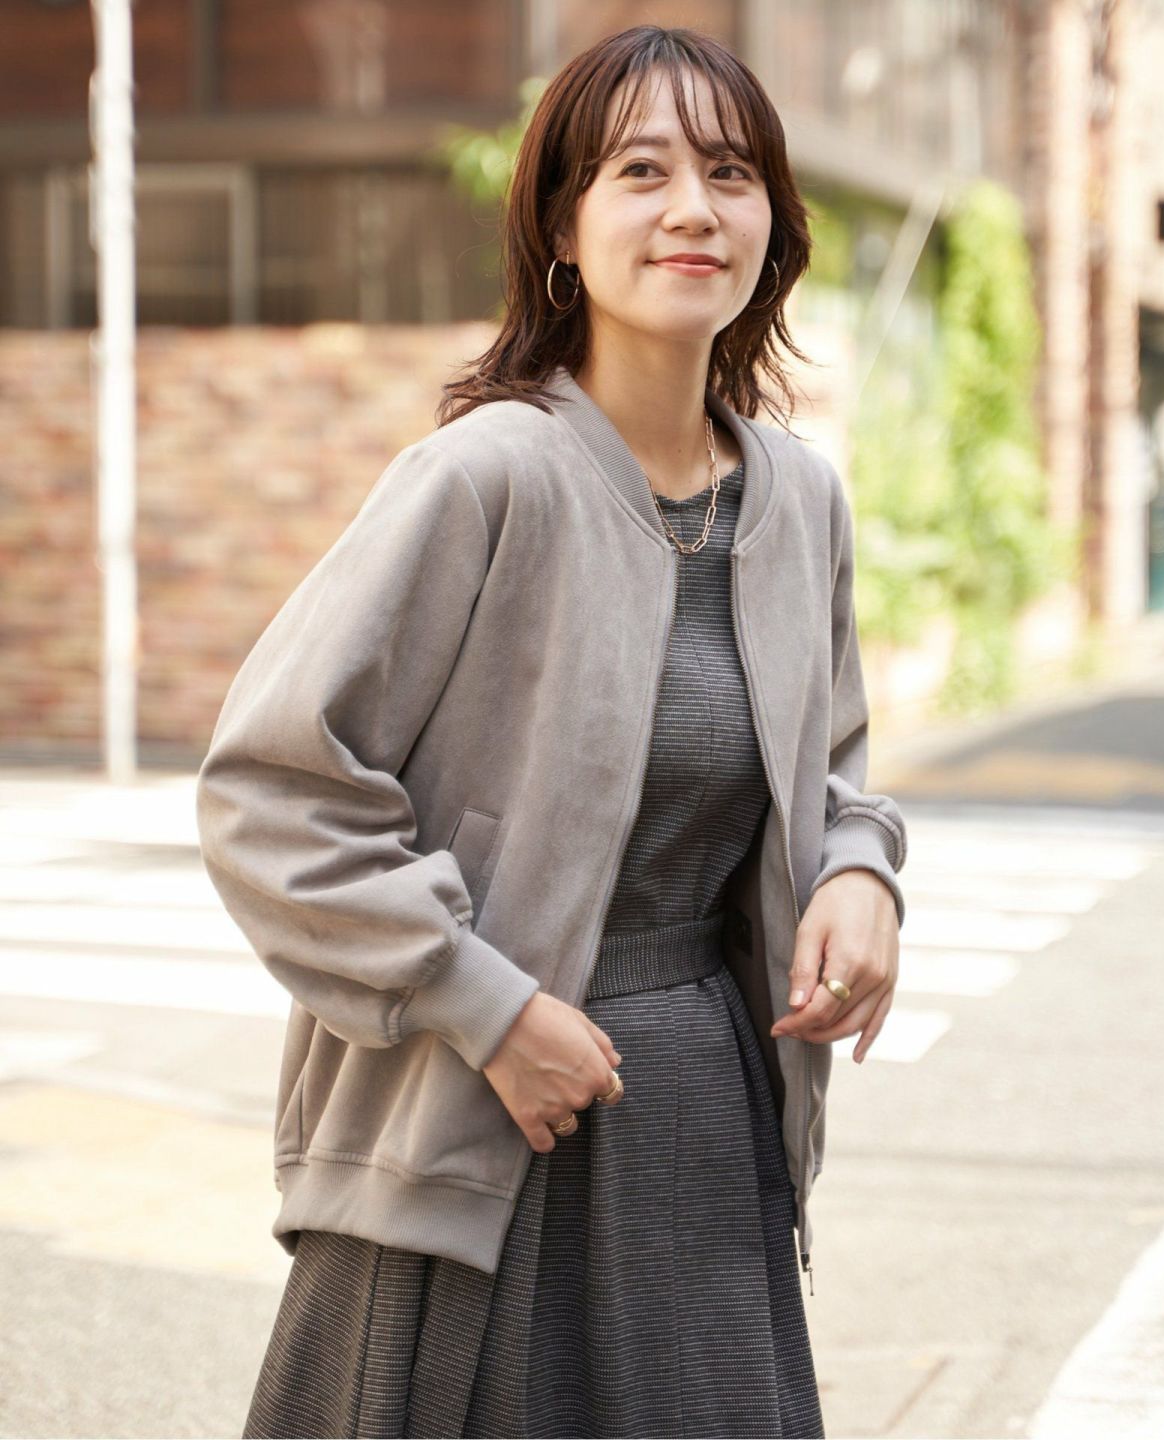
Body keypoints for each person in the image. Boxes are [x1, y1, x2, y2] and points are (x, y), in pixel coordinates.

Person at [196, 23, 908, 1440]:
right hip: (481, 1121)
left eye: (730, 173)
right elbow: (269, 793)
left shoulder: (799, 499)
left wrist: (861, 872)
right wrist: (487, 1006)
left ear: (774, 225)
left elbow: (831, 769)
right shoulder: (483, 479)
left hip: (703, 1124)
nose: (694, 208)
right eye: (641, 171)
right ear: (562, 230)